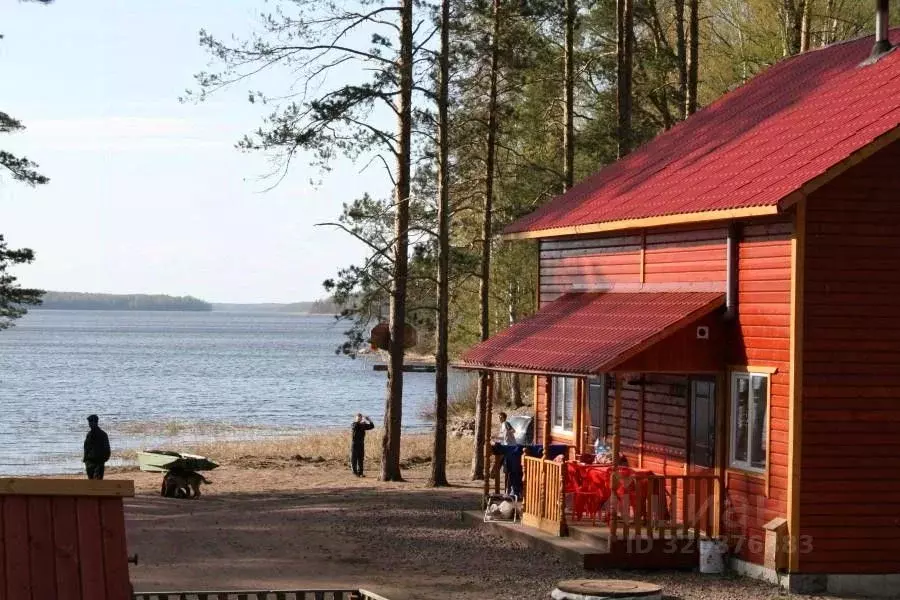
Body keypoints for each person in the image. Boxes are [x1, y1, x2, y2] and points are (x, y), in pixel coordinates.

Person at [83, 414, 110, 480]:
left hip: (99, 463)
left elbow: (107, 450)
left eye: (90, 422)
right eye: (89, 422)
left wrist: (103, 460)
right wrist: (86, 460)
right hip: (90, 463)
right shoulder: (89, 434)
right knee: (92, 483)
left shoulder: (102, 434)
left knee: (97, 483)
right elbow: (86, 448)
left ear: (95, 422)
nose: (89, 424)